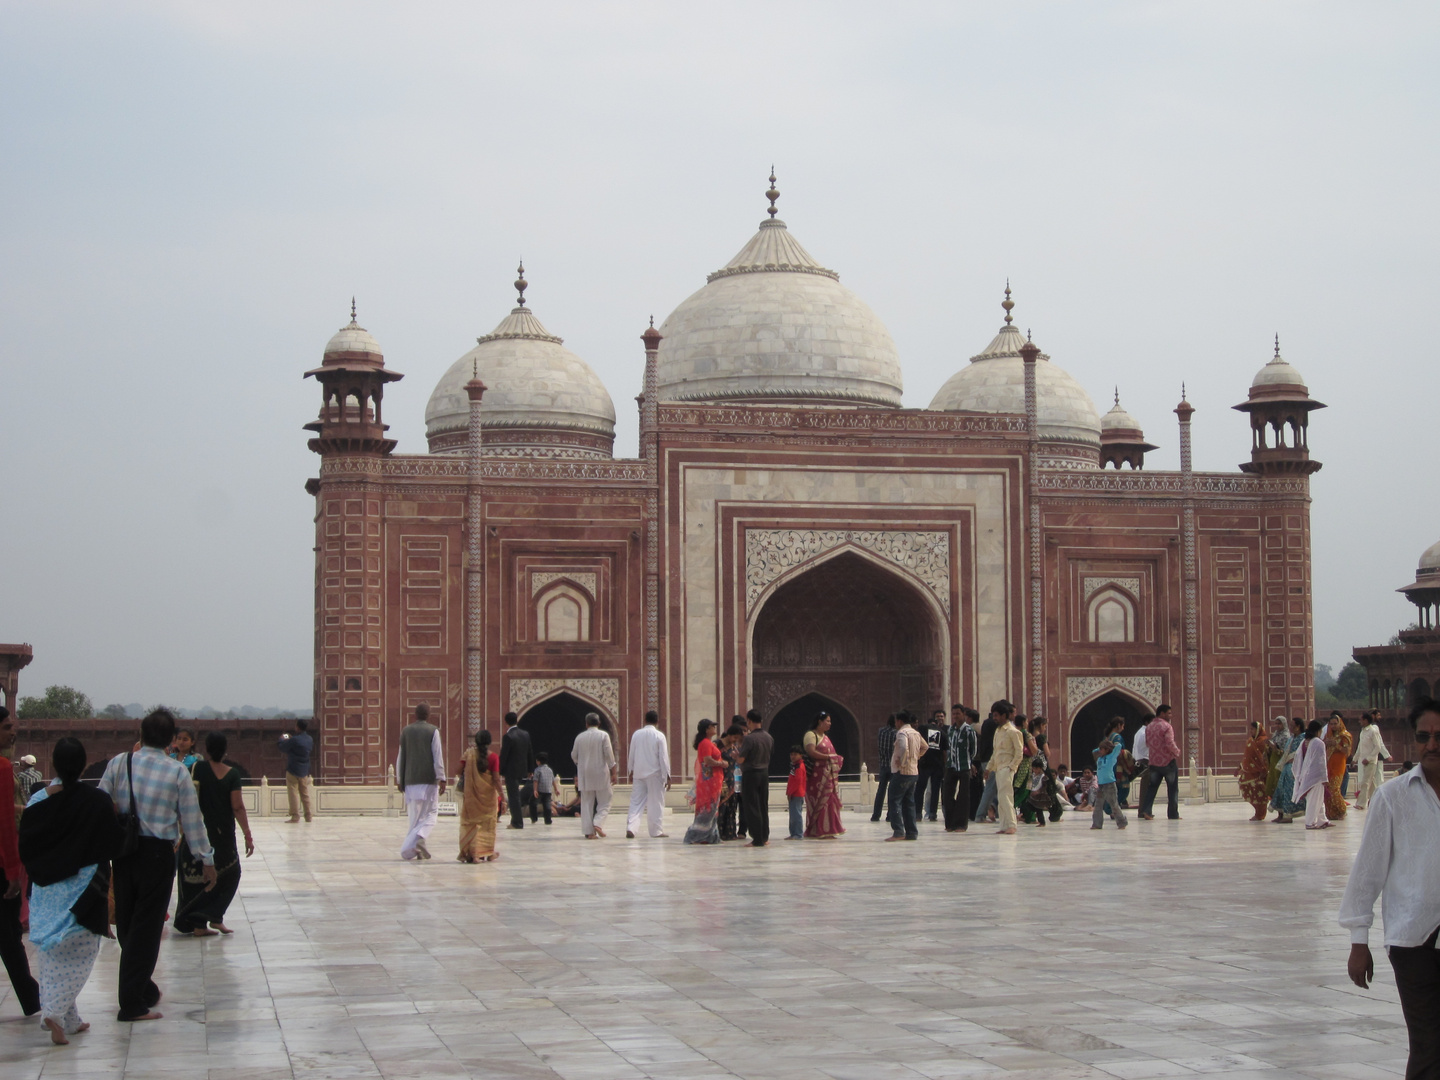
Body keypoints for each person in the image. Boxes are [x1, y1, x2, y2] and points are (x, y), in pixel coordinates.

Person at [1340, 697, 1440, 1078]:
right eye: (1424, 737)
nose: (1432, 745)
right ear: (1414, 741)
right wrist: (1358, 941)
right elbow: (1368, 872)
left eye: (1439, 736)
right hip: (1414, 941)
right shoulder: (1394, 797)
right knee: (1429, 1045)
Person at [99, 707, 216, 1022]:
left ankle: (143, 988)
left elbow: (99, 806)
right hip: (157, 855)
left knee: (126, 923)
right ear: (171, 741)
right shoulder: (175, 771)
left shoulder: (118, 764)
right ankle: (132, 1003)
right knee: (146, 927)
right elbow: (192, 821)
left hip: (124, 853)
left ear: (141, 734)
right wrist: (207, 859)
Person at [18, 737, 123, 1045]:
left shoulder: (38, 801)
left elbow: (26, 844)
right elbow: (112, 841)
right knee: (81, 954)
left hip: (46, 891)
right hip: (82, 890)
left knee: (51, 954)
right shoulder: (97, 801)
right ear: (81, 764)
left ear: (53, 764)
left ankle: (70, 1020)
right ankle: (53, 1011)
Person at [173, 733, 254, 937]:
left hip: (196, 832)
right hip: (222, 834)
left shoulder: (196, 769)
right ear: (225, 750)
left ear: (206, 749)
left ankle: (207, 921)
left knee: (196, 876)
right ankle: (210, 919)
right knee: (230, 873)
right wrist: (247, 834)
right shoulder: (232, 774)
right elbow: (237, 807)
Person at [0, 706, 40, 1018]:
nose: (12, 732)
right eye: (6, 727)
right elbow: (3, 824)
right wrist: (13, 871)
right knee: (9, 936)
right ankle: (31, 998)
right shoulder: (1, 768)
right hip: (2, 865)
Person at [395, 703, 446, 861]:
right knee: (431, 814)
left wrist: (399, 779)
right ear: (429, 715)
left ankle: (418, 846)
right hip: (427, 781)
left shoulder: (406, 731)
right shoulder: (433, 731)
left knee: (414, 818)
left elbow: (400, 757)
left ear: (415, 715)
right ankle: (411, 844)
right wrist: (442, 778)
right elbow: (437, 756)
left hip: (410, 781)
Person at [457, 730, 501, 862]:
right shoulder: (493, 757)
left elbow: (458, 771)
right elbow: (496, 779)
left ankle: (473, 853)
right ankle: (487, 852)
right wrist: (503, 797)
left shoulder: (468, 755)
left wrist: (471, 779)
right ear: (489, 742)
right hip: (488, 797)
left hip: (471, 797)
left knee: (471, 823)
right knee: (488, 824)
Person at [571, 713, 616, 840]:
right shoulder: (603, 735)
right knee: (606, 800)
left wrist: (582, 764)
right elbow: (609, 755)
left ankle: (589, 832)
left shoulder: (580, 737)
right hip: (601, 772)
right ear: (599, 723)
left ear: (586, 724)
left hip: (584, 774)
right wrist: (613, 772)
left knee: (586, 802)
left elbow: (574, 755)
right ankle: (598, 823)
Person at [626, 710, 670, 839]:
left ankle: (631, 828)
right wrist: (667, 775)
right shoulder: (659, 735)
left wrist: (630, 770)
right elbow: (663, 757)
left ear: (644, 720)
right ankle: (656, 831)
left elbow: (632, 753)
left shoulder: (636, 734)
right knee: (656, 803)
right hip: (655, 774)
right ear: (657, 721)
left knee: (636, 802)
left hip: (638, 773)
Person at [802, 712, 844, 838]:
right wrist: (829, 757)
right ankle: (817, 830)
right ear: (820, 722)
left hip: (828, 778)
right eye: (827, 721)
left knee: (829, 803)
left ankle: (829, 830)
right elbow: (811, 751)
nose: (829, 724)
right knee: (818, 804)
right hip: (816, 778)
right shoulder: (811, 735)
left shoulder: (825, 737)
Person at [886, 712, 926, 841]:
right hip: (913, 772)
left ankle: (898, 831)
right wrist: (915, 758)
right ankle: (911, 832)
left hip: (902, 773)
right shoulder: (915, 733)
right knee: (909, 803)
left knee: (894, 801)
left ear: (899, 721)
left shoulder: (902, 733)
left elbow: (903, 747)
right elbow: (925, 747)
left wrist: (903, 762)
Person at [736, 709, 774, 847]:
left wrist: (736, 756)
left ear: (749, 721)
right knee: (763, 805)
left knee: (752, 806)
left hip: (751, 773)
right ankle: (764, 837)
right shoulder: (768, 737)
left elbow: (741, 760)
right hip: (764, 773)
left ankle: (757, 839)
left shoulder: (749, 738)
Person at [1138, 703, 1181, 821]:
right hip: (1168, 762)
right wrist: (1177, 752)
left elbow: (1147, 743)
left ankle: (1146, 811)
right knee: (1172, 789)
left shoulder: (1149, 727)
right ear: (1162, 713)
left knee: (1152, 788)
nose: (1170, 716)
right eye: (1169, 713)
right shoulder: (1167, 726)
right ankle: (1173, 814)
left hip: (1153, 762)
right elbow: (1169, 743)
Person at [684, 719, 724, 845]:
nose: (714, 728)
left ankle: (710, 836)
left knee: (712, 808)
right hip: (710, 781)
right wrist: (722, 764)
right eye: (712, 726)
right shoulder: (705, 743)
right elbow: (707, 760)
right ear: (707, 729)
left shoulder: (707, 743)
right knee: (707, 808)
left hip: (713, 780)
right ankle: (695, 836)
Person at [941, 705, 977, 832]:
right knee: (947, 795)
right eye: (954, 714)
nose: (955, 716)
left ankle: (961, 824)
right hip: (951, 766)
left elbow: (973, 750)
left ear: (963, 714)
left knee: (963, 796)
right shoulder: (950, 730)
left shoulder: (968, 731)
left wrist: (968, 760)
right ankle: (950, 824)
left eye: (958, 713)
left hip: (964, 766)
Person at [990, 705, 1024, 834]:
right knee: (1001, 797)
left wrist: (1012, 767)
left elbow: (1019, 752)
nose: (995, 718)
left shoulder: (1013, 731)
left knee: (1006, 796)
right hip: (999, 767)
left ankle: (1011, 825)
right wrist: (989, 768)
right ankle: (1004, 826)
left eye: (996, 715)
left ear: (1004, 716)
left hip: (1007, 768)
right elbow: (996, 752)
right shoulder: (998, 732)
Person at [973, 701, 1009, 824]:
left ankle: (998, 814)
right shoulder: (997, 727)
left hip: (987, 759)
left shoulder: (986, 723)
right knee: (990, 788)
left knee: (997, 788)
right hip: (992, 760)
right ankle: (980, 815)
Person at [499, 712, 535, 830]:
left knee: (513, 796)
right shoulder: (525, 734)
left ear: (506, 723)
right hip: (522, 770)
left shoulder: (508, 736)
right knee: (516, 795)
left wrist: (499, 770)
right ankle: (516, 821)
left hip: (511, 771)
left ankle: (517, 823)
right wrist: (530, 769)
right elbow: (530, 752)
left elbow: (504, 755)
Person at [1091, 718, 1128, 830]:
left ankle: (1122, 823)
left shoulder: (1111, 758)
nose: (1100, 751)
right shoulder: (1099, 759)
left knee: (1114, 805)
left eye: (1102, 750)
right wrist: (1100, 747)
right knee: (1098, 806)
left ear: (1106, 750)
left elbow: (1118, 747)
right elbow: (1093, 751)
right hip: (1101, 785)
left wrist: (1110, 746)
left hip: (1110, 785)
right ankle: (1097, 824)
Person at [1294, 720, 1330, 830]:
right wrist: (1324, 778)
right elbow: (1320, 762)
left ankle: (1321, 820)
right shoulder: (1319, 742)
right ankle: (1310, 823)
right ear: (1318, 731)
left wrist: (1298, 774)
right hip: (1316, 776)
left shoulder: (1304, 742)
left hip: (1306, 774)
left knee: (1317, 800)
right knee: (1314, 801)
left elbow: (1297, 758)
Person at [1270, 716, 1306, 824]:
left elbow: (1303, 753)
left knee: (1290, 792)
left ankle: (1288, 815)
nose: (1290, 728)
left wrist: (1295, 760)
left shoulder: (1303, 738)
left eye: (1292, 726)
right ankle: (1282, 814)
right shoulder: (1291, 738)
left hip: (1295, 769)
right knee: (1281, 791)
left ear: (1298, 727)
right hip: (1286, 768)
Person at [277, 718, 314, 824]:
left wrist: (282, 739)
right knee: (304, 793)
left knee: (293, 793)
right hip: (304, 770)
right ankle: (308, 815)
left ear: (297, 727)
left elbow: (283, 747)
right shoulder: (309, 739)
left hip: (293, 769)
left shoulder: (294, 740)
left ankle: (295, 816)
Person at [914, 708, 946, 823]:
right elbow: (945, 752)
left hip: (924, 763)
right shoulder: (942, 732)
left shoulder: (922, 728)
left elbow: (917, 742)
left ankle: (917, 813)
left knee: (920, 789)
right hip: (937, 765)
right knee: (935, 790)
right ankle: (933, 814)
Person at [1354, 711, 1390, 810]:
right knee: (1372, 783)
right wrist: (1355, 759)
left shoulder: (1373, 731)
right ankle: (1377, 799)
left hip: (1371, 761)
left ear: (1365, 720)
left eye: (1361, 720)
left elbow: (1378, 747)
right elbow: (1360, 747)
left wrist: (1369, 758)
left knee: (1365, 782)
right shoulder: (1363, 731)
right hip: (1363, 761)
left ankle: (1361, 804)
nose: (1359, 721)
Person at [1237, 719, 1271, 821]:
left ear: (1258, 729)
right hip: (1249, 772)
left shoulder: (1263, 741)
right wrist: (1239, 767)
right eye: (1250, 729)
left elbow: (1265, 757)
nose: (1250, 731)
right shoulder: (1250, 741)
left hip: (1259, 772)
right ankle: (1257, 812)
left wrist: (1264, 770)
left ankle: (1260, 814)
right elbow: (1246, 756)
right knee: (1248, 789)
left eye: (1253, 729)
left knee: (1260, 794)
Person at [1324, 714, 1352, 820]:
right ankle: (1332, 813)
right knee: (1327, 788)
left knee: (1334, 788)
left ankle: (1341, 809)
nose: (1333, 726)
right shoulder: (1328, 735)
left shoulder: (1345, 736)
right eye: (1331, 724)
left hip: (1338, 764)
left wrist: (1336, 744)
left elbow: (1347, 752)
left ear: (1340, 723)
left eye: (1335, 724)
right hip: (1328, 764)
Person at [871, 714, 896, 822]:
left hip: (883, 764)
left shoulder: (881, 731)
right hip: (893, 765)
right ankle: (890, 816)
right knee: (892, 791)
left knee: (881, 791)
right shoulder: (896, 733)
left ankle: (875, 815)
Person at [1024, 760, 1057, 827]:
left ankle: (1042, 822)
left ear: (1040, 768)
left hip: (1039, 796)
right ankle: (1029, 817)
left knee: (1039, 809)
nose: (1035, 770)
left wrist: (1038, 791)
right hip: (1032, 794)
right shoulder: (1033, 775)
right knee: (1029, 806)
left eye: (1036, 768)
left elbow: (1044, 786)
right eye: (1033, 768)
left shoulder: (1043, 776)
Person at [785, 745, 806, 840]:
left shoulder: (799, 767)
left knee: (796, 815)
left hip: (797, 794)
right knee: (793, 815)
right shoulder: (794, 766)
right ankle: (793, 833)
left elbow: (798, 781)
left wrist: (790, 792)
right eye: (791, 754)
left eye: (795, 754)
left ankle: (798, 834)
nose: (793, 756)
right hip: (794, 793)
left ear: (800, 755)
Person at [529, 752, 556, 825]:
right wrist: (556, 790)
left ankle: (534, 818)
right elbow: (553, 780)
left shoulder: (537, 770)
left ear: (538, 761)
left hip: (540, 791)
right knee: (547, 806)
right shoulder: (550, 770)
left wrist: (535, 790)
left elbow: (535, 781)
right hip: (548, 791)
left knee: (533, 803)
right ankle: (548, 820)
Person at [1132, 714, 1151, 812]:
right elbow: (1144, 749)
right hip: (1145, 760)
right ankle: (1143, 811)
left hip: (1140, 760)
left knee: (1146, 786)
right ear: (1147, 722)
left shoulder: (1139, 732)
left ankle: (1143, 810)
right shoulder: (1145, 733)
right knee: (1146, 787)